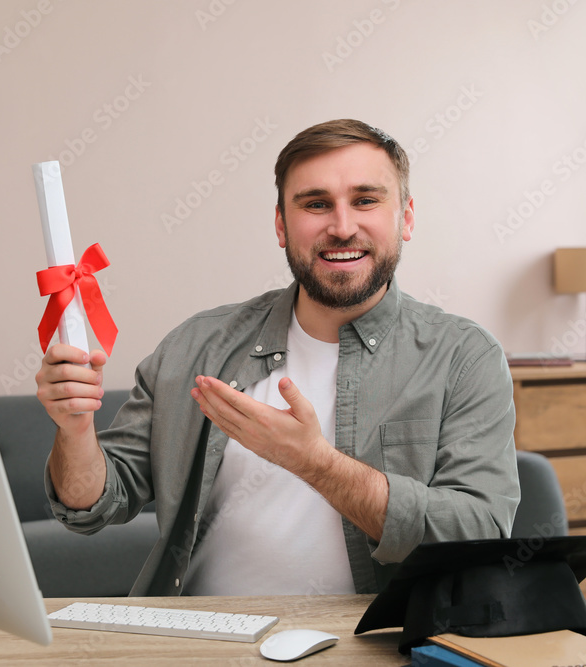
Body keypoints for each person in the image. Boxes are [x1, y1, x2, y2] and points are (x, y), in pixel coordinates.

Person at [35, 119, 519, 596]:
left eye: (366, 200)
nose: (342, 226)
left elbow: (475, 535)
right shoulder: (195, 345)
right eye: (316, 204)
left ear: (406, 217)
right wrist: (74, 430)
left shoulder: (464, 357)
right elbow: (91, 506)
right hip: (197, 641)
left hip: (370, 648)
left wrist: (315, 463)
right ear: (281, 225)